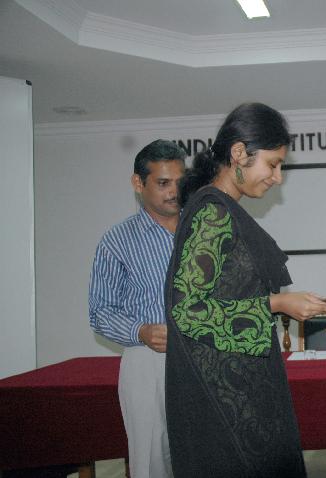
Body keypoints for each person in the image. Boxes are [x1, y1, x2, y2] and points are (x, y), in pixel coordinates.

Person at [164, 102, 326, 478]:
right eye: (273, 164)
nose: (277, 178)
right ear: (239, 153)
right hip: (222, 402)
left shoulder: (222, 208)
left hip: (240, 386)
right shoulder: (212, 213)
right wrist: (277, 302)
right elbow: (186, 311)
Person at [89, 139, 187, 478]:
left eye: (179, 182)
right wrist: (140, 331)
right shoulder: (117, 241)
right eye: (163, 182)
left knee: (209, 454)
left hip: (205, 357)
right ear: (138, 183)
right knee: (150, 461)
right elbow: (100, 311)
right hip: (147, 360)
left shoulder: (204, 230)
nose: (174, 191)